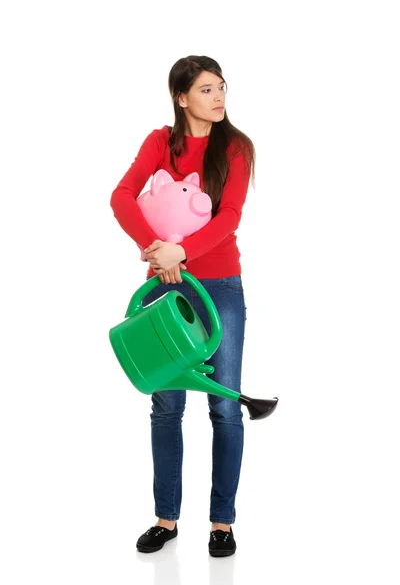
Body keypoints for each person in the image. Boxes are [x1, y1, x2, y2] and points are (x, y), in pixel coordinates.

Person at [110, 55, 276, 557]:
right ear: (182, 97)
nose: (219, 96)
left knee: (225, 407)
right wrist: (156, 250)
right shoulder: (161, 142)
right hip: (166, 286)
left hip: (221, 284)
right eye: (206, 90)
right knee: (166, 407)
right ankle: (166, 519)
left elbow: (229, 217)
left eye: (221, 87)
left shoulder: (237, 148)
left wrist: (181, 251)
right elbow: (121, 197)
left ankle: (221, 524)